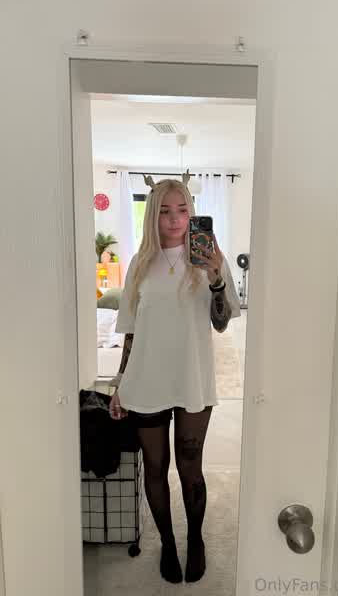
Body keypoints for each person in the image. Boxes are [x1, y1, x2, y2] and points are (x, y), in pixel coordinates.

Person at [108, 172, 241, 584]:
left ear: (192, 212)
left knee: (190, 467)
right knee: (155, 466)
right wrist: (119, 382)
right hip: (146, 379)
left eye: (182, 209)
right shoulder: (139, 264)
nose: (175, 218)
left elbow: (221, 322)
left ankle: (195, 539)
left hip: (192, 379)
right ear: (153, 215)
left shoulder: (209, 258)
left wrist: (217, 277)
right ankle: (167, 542)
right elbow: (131, 330)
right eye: (165, 210)